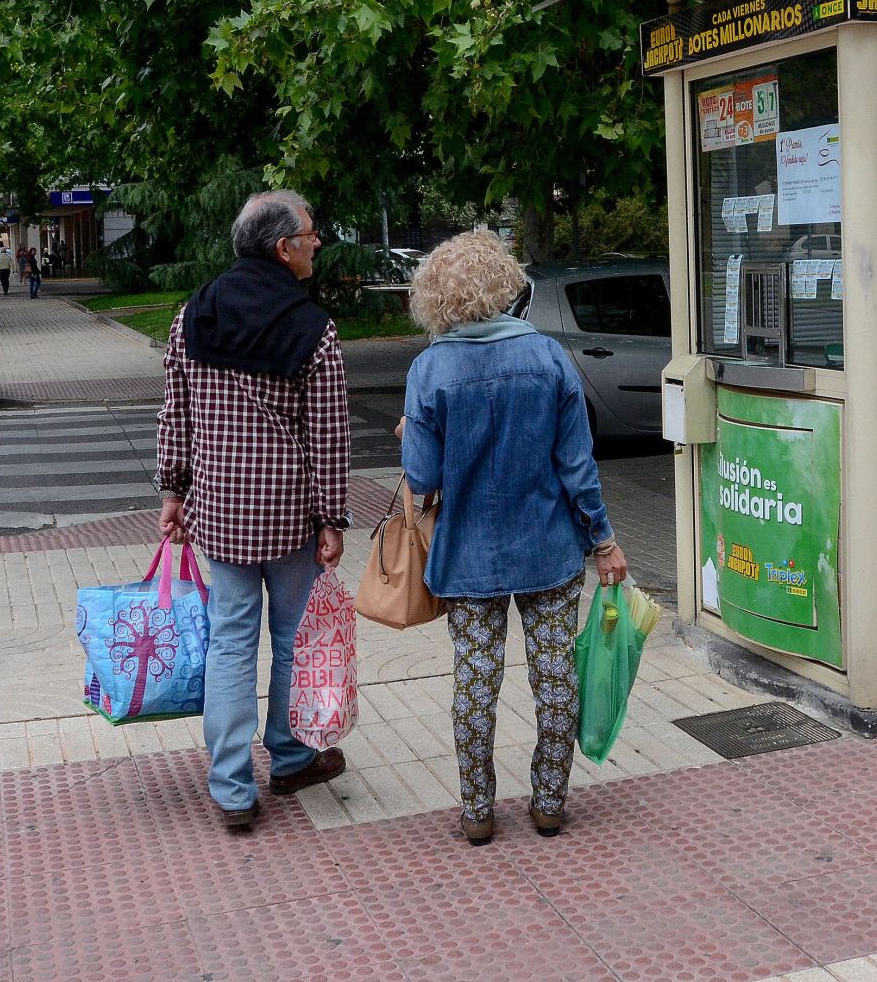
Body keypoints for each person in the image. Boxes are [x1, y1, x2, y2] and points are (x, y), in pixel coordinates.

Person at [398, 230, 625, 846]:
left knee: (475, 683)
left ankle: (477, 812)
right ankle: (549, 803)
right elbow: (578, 465)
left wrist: (411, 434)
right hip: (549, 550)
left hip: (467, 557)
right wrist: (602, 540)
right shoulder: (550, 358)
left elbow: (421, 477)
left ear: (436, 298)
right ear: (504, 285)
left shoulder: (430, 369)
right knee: (555, 677)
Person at [156, 189, 351, 830]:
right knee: (294, 638)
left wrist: (173, 491)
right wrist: (331, 518)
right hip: (290, 515)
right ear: (282, 247)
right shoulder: (312, 329)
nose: (317, 242)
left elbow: (175, 412)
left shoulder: (194, 314)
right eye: (310, 233)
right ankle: (291, 758)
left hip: (219, 513)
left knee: (232, 642)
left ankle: (232, 789)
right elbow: (328, 434)